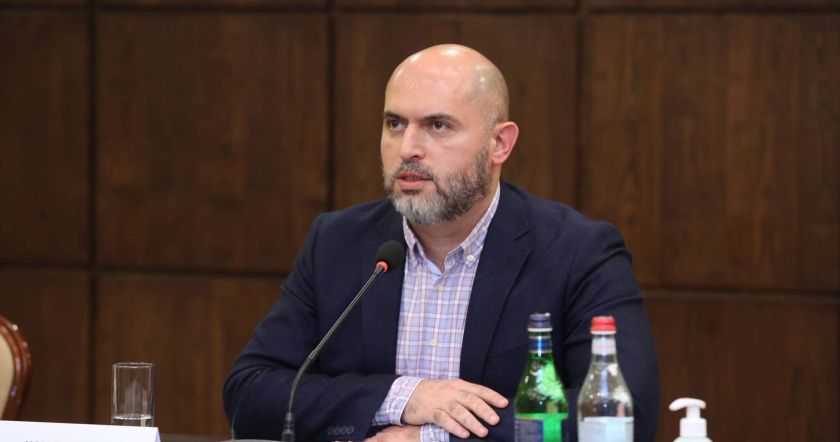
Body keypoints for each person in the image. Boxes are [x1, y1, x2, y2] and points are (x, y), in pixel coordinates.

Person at [223, 44, 659, 442]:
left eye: (438, 125)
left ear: (499, 144)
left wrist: (433, 437)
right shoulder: (337, 243)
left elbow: (625, 415)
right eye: (394, 124)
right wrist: (404, 396)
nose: (408, 148)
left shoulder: (578, 251)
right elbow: (250, 393)